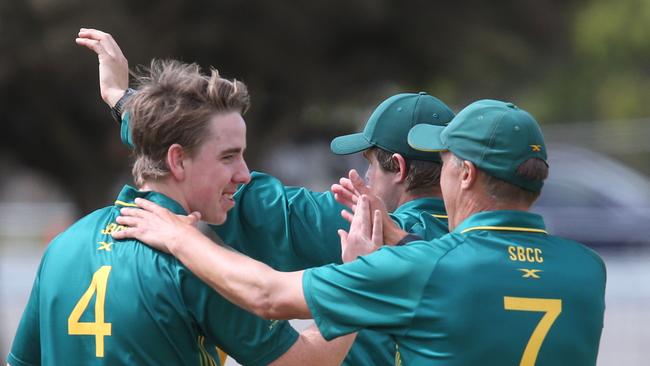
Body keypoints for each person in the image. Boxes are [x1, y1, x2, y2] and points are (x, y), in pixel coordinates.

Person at [114, 99, 607, 365]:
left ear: (466, 174)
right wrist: (404, 244)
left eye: (448, 158)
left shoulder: (422, 266)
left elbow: (266, 296)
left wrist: (181, 237)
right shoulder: (589, 270)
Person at [77, 28, 454, 365]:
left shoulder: (361, 226)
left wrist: (126, 105)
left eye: (371, 163)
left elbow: (226, 185)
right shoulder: (479, 246)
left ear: (400, 170)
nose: (367, 177)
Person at [7, 56, 354, 366]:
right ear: (177, 160)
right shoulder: (196, 263)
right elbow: (305, 363)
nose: (245, 174)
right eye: (228, 156)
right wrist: (361, 282)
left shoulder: (63, 246)